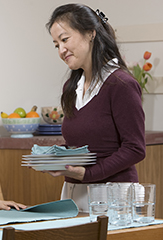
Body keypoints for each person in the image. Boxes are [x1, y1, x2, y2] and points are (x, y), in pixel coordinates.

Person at [44, 4, 145, 212]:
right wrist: (55, 158)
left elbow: (135, 148)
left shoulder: (121, 84)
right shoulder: (72, 87)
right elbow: (83, 142)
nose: (61, 50)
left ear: (90, 33)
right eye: (56, 45)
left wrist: (87, 174)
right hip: (74, 194)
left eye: (64, 40)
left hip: (114, 196)